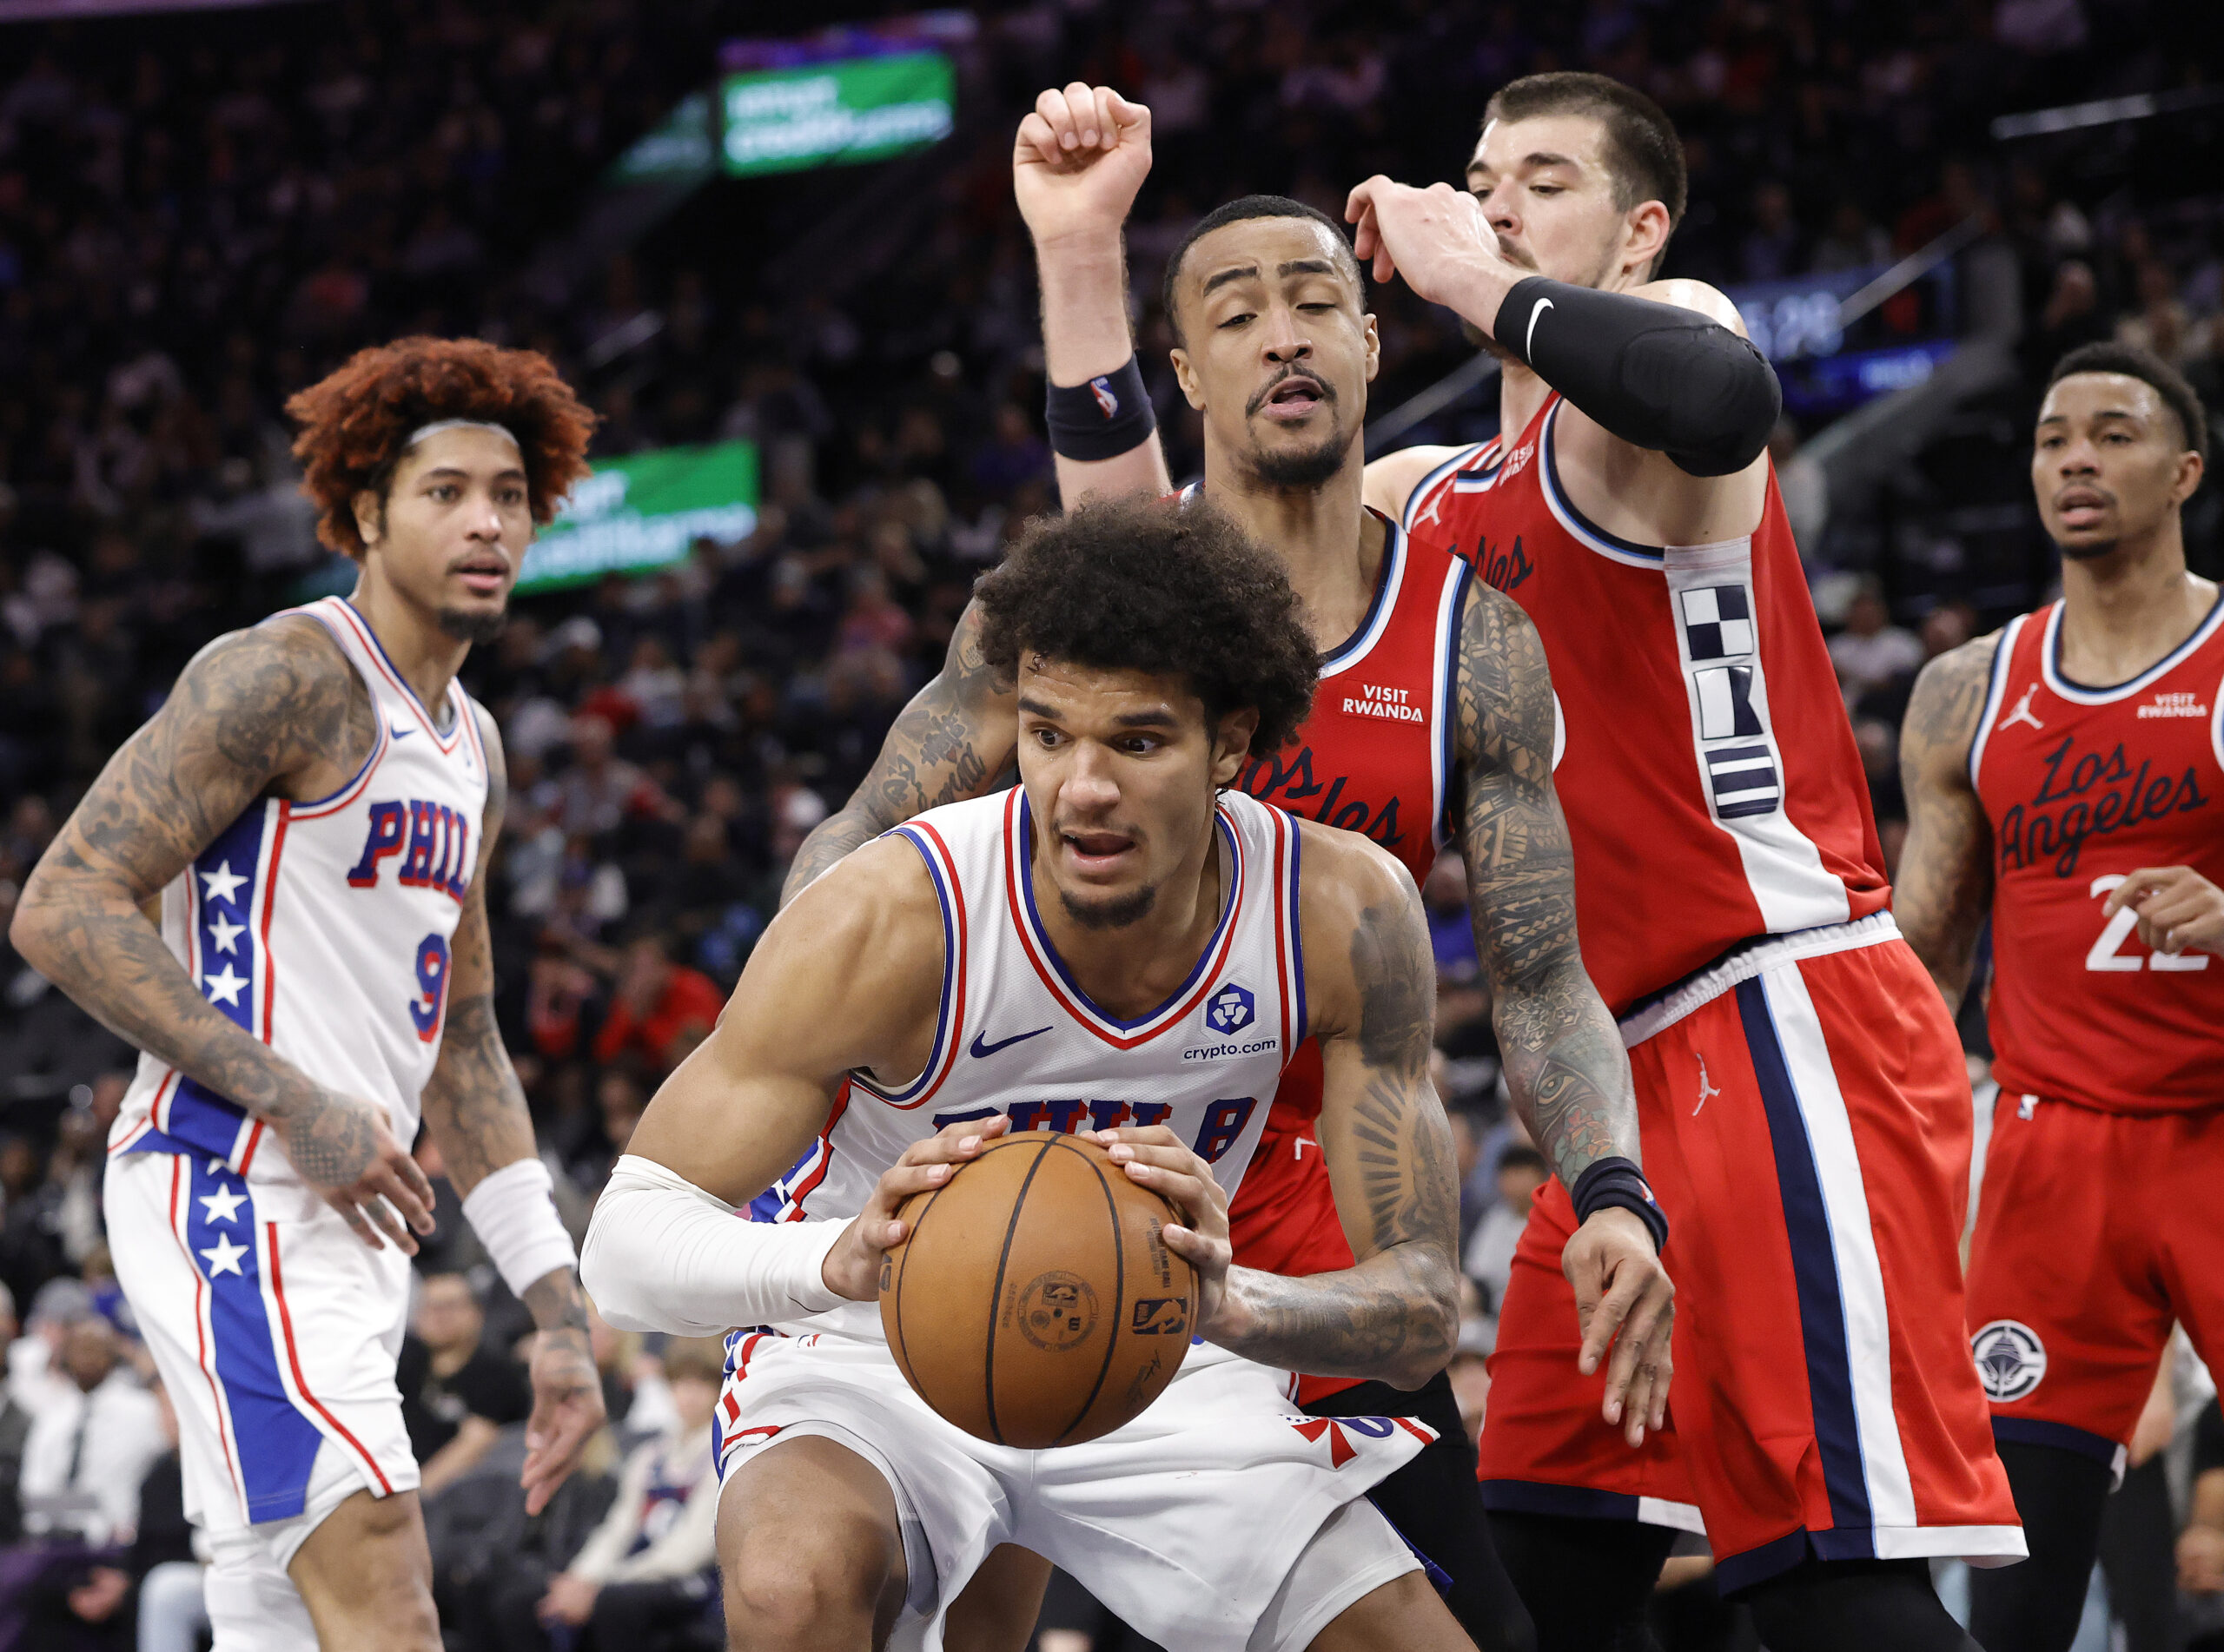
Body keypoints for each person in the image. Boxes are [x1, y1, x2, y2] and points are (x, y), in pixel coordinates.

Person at [774, 83, 1682, 1652]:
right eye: (1239, 312)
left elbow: (1539, 974)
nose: (1284, 337)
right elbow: (854, 838)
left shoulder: (1474, 642)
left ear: (1376, 344)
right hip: (1062, 1201)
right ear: (1184, 372)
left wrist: (1610, 1188)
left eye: (1318, 300)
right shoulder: (1073, 603)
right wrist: (804, 1050)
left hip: (1321, 1250)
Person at [1349, 69, 2021, 1651]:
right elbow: (1181, 569)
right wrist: (1101, 278)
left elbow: (1722, 397)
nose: (1497, 199)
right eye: (1477, 174)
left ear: (1638, 234)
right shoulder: (1428, 500)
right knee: (1536, 1573)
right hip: (1601, 1096)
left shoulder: (1666, 365)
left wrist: (1470, 274)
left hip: (1776, 1015)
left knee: (1831, 1590)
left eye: (1545, 178)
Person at [583, 496, 1501, 1652]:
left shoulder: (1341, 910)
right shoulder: (890, 916)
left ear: (1231, 740)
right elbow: (621, 1247)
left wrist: (1231, 1300)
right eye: (1049, 732)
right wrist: (837, 1255)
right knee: (788, 1584)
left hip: (1162, 1350)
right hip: (874, 1345)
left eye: (1137, 740)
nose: (1082, 786)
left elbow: (1422, 1310)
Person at [8, 337, 609, 1651]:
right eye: (446, 491)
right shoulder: (286, 673)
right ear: (365, 511)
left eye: (509, 493)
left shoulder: (478, 749)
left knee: (275, 1612)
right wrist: (297, 1101)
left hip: (352, 1225)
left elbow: (467, 1043)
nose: (487, 521)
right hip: (228, 1178)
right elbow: (63, 904)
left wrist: (556, 1312)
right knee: (385, 1570)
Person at [1896, 340, 2219, 1652]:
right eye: (2050, 437)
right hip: (2049, 1154)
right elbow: (1925, 959)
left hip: (2213, 1131)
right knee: (2020, 1583)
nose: (2076, 458)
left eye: (2113, 433)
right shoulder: (1970, 688)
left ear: (2185, 469)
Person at [398, 1272, 533, 1500]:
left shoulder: (494, 1372)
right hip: (399, 1485)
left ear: (476, 1313)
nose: (438, 1316)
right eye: (430, 1307)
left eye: (450, 1306)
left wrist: (410, 1501)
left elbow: (474, 1444)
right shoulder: (405, 1363)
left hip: (465, 1502)